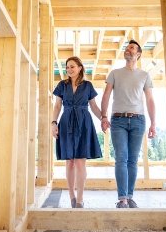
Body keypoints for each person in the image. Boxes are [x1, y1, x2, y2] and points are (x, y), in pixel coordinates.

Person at [101, 39, 156, 208]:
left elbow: (150, 100)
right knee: (121, 158)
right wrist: (104, 116)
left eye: (131, 48)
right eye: (126, 48)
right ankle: (122, 199)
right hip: (118, 120)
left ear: (138, 54)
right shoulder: (115, 73)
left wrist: (153, 123)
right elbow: (106, 96)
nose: (127, 50)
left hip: (139, 120)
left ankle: (130, 196)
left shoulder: (144, 75)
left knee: (133, 160)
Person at [51, 56, 103, 208]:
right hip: (66, 122)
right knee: (70, 162)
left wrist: (103, 119)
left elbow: (93, 106)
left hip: (84, 123)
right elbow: (57, 106)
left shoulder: (88, 85)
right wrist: (54, 123)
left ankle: (80, 199)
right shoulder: (62, 85)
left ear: (80, 68)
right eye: (67, 67)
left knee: (80, 162)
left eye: (72, 66)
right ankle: (71, 196)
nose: (69, 70)